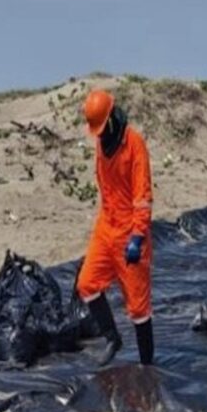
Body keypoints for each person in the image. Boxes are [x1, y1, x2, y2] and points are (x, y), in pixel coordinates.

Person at [77, 90, 154, 366]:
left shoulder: (134, 144)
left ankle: (146, 365)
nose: (99, 135)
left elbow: (143, 196)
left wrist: (137, 236)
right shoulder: (102, 143)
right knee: (87, 284)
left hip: (130, 232)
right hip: (106, 226)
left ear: (112, 118)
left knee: (138, 307)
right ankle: (112, 337)